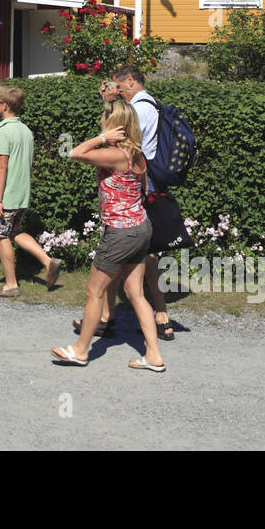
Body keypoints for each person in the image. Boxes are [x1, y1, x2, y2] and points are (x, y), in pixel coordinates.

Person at [51, 99, 165, 372]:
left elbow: (75, 153)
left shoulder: (117, 155)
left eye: (105, 118)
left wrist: (102, 138)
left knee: (94, 291)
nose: (101, 120)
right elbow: (141, 189)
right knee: (135, 293)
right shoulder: (136, 154)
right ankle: (153, 355)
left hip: (121, 233)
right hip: (140, 228)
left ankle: (80, 350)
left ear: (116, 126)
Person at [84, 64, 174, 341]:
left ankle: (160, 314)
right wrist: (108, 102)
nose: (117, 91)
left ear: (131, 81)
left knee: (140, 253)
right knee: (128, 250)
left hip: (136, 184)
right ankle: (106, 315)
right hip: (138, 181)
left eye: (119, 87)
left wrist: (110, 110)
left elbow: (123, 135)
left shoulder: (143, 108)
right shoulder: (144, 105)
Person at [0, 85, 60, 297]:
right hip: (23, 194)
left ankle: (11, 284)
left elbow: (2, 166)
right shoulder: (26, 131)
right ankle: (48, 262)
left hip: (9, 195)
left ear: (6, 105)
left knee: (1, 234)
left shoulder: (4, 131)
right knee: (15, 232)